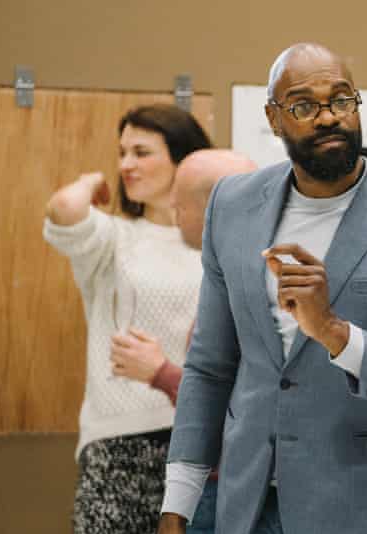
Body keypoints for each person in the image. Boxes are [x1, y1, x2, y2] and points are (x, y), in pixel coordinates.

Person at [157, 43, 367, 534]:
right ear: (274, 117)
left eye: (342, 100)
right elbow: (210, 366)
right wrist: (178, 502)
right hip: (242, 505)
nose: (328, 117)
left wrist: (335, 333)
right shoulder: (233, 204)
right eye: (304, 105)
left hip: (353, 511)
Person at [43, 103, 212, 533]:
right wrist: (89, 181)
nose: (126, 165)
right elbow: (63, 210)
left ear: (183, 158)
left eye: (141, 152)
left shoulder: (215, 243)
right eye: (122, 153)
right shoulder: (114, 237)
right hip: (116, 442)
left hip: (195, 443)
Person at [108, 148, 257, 534]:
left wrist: (161, 373)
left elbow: (245, 402)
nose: (173, 214)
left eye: (179, 207)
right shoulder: (232, 272)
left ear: (212, 210)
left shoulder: (255, 285)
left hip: (230, 491)